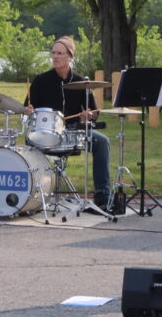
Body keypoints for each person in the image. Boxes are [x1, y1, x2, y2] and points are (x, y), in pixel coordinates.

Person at [24, 36, 112, 209]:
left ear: (70, 56)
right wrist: (28, 110)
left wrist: (89, 116)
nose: (55, 57)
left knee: (102, 142)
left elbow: (94, 112)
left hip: (72, 131)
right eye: (53, 53)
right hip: (45, 130)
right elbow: (27, 108)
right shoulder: (41, 81)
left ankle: (103, 198)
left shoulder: (82, 82)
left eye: (60, 53)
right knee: (28, 142)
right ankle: (30, 195)